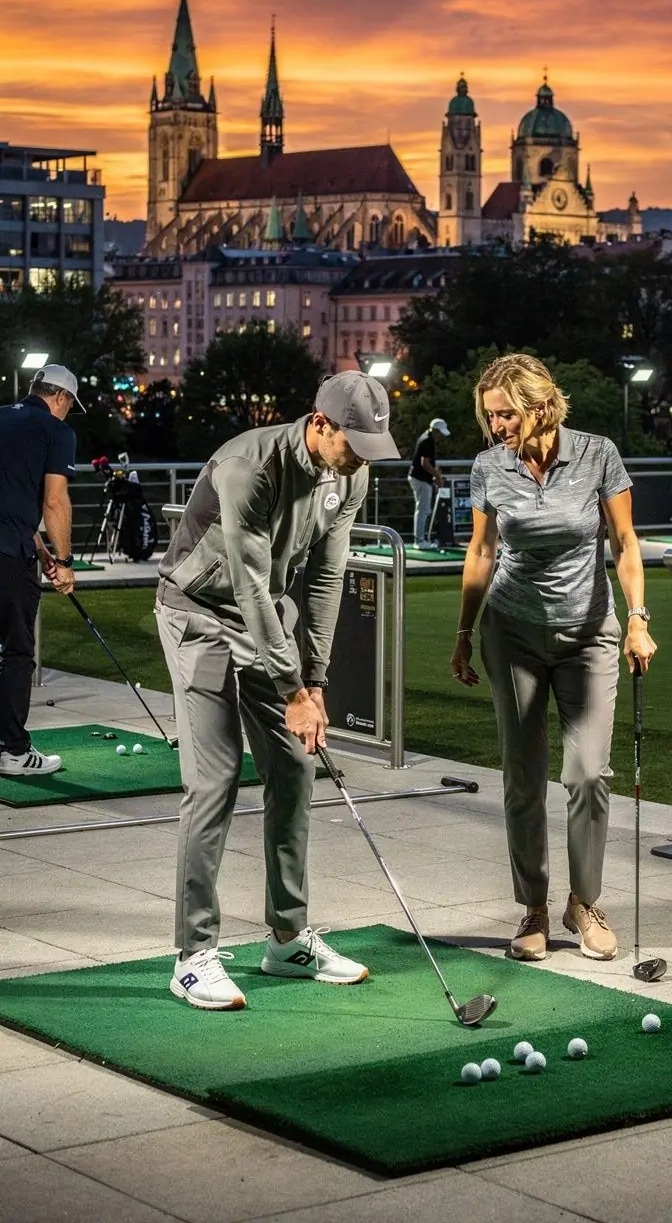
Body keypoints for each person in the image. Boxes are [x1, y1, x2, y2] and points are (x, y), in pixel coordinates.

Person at [156, 371, 400, 1011]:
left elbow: (325, 578)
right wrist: (292, 686)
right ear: (320, 425)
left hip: (268, 622)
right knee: (212, 782)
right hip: (199, 616)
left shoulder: (352, 475)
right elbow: (248, 584)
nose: (360, 461)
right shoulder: (249, 466)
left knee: (294, 768)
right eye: (354, 444)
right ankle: (194, 954)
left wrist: (314, 681)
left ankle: (288, 938)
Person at [450, 354, 656, 964]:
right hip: (511, 634)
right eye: (490, 416)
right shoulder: (489, 464)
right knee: (522, 778)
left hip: (588, 634)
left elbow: (624, 543)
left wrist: (638, 620)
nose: (497, 426)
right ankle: (534, 907)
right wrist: (464, 632)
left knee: (588, 773)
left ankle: (583, 903)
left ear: (540, 406)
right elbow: (482, 550)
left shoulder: (597, 454)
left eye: (506, 414)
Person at [0, 364, 82, 776]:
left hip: (16, 541)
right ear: (61, 398)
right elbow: (54, 501)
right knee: (16, 652)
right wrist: (64, 562)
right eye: (70, 406)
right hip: (8, 558)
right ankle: (14, 752)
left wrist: (41, 549)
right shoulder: (57, 431)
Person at [408, 417, 450, 548]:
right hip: (420, 479)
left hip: (419, 478)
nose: (441, 436)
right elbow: (424, 463)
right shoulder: (427, 441)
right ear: (435, 430)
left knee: (423, 509)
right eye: (440, 433)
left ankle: (420, 539)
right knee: (422, 510)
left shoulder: (427, 438)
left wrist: (436, 474)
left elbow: (428, 462)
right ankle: (419, 541)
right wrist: (437, 476)